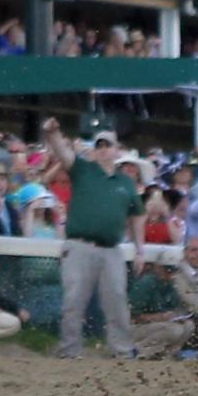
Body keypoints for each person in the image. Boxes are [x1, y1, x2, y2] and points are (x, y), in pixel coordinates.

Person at [43, 119, 139, 360]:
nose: (104, 149)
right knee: (74, 300)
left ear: (117, 150)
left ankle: (123, 351)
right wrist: (53, 133)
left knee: (117, 300)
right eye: (100, 145)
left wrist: (140, 250)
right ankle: (70, 351)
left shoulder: (126, 182)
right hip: (79, 245)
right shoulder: (83, 169)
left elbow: (137, 215)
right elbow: (63, 153)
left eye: (108, 145)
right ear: (95, 149)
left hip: (112, 248)